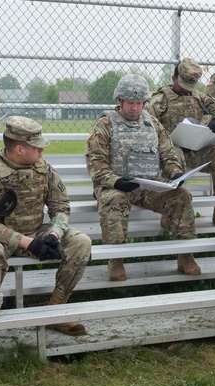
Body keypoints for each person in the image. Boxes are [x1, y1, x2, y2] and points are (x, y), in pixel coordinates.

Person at [0, 116, 91, 348]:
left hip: (33, 231)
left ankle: (56, 311)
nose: (42, 150)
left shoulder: (43, 168)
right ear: (20, 149)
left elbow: (60, 207)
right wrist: (29, 244)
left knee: (80, 242)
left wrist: (54, 234)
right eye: (37, 146)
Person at [86, 74, 201, 282]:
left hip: (149, 186)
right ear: (119, 101)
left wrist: (175, 172)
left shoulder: (152, 124)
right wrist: (115, 181)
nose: (135, 108)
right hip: (117, 185)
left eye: (139, 103)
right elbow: (96, 164)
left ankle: (186, 255)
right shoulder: (105, 125)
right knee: (115, 200)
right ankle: (115, 260)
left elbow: (168, 154)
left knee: (181, 195)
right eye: (131, 103)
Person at [147, 58, 215, 227]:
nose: (187, 90)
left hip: (198, 148)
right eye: (183, 85)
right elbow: (147, 124)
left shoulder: (200, 97)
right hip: (172, 149)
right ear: (174, 79)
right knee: (173, 157)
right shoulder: (160, 100)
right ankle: (171, 214)